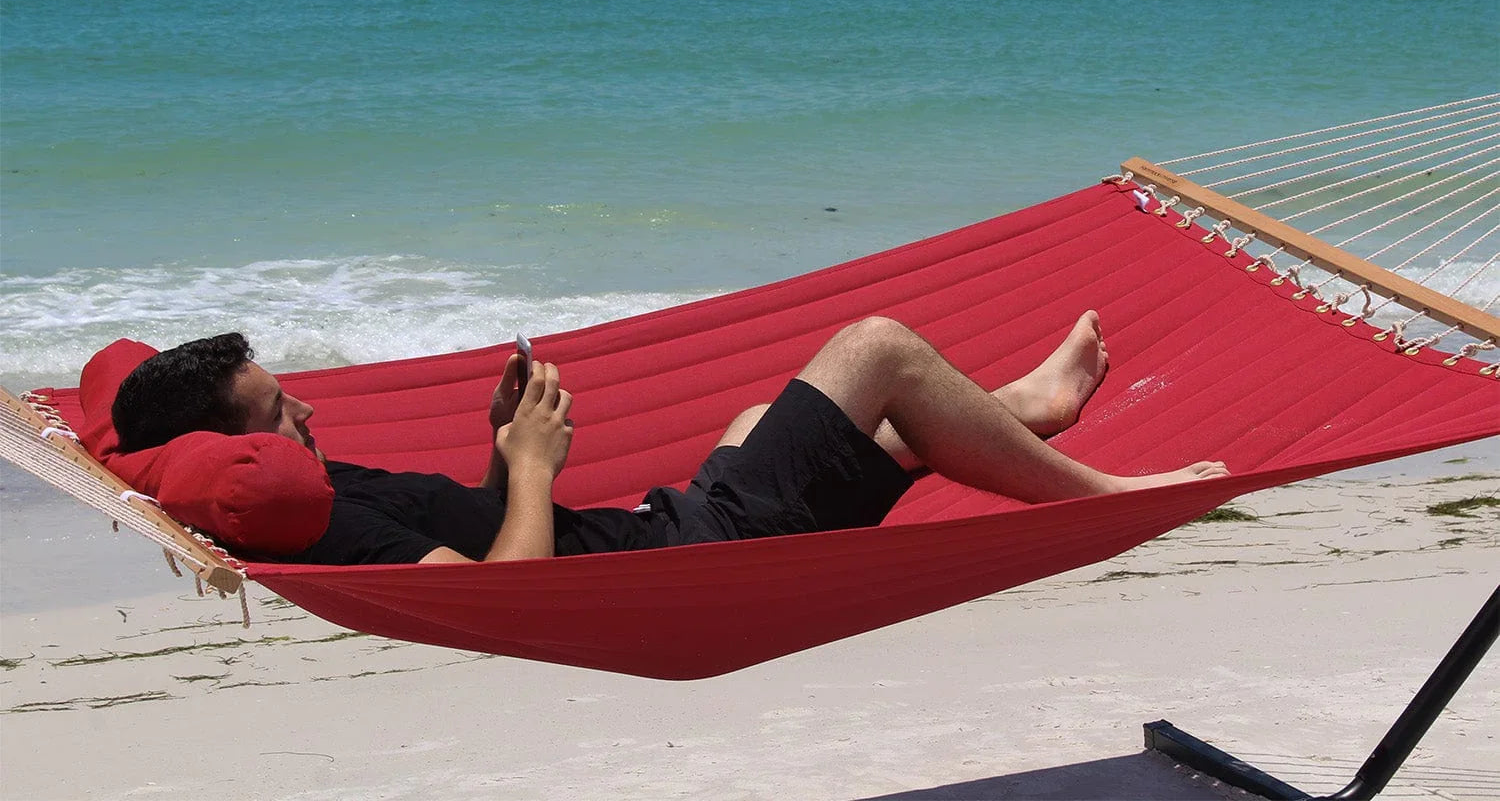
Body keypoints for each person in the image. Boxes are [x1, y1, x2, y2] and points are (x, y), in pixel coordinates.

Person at [110, 313, 1228, 566]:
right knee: (877, 349)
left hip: (669, 523)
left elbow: (483, 534)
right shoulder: (313, 514)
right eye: (273, 409)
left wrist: (504, 448)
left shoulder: (292, 487)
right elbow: (506, 596)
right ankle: (1096, 487)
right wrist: (542, 468)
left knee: (759, 423)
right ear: (230, 442)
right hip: (690, 551)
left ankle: (1023, 410)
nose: (302, 412)